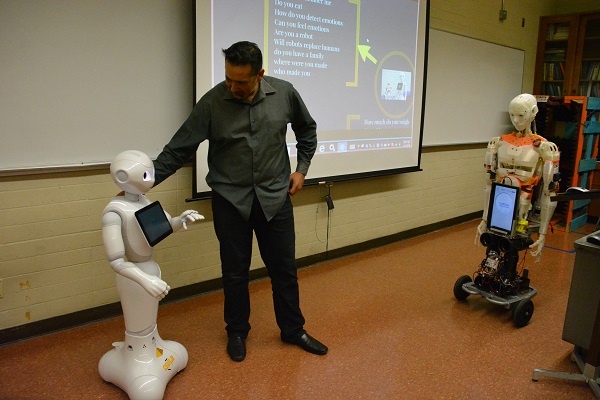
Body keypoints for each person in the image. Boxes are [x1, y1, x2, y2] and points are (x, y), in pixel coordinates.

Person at [152, 41, 327, 362]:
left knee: (284, 270)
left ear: (259, 75)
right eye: (229, 79)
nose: (233, 87)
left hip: (275, 199)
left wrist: (302, 169)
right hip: (230, 201)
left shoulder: (284, 93)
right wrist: (143, 182)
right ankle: (236, 331)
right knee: (235, 272)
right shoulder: (213, 102)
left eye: (241, 82)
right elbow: (177, 149)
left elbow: (307, 130)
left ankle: (292, 330)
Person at [475, 93, 560, 261]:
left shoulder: (544, 148)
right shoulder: (498, 143)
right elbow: (489, 184)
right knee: (493, 248)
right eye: (512, 115)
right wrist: (484, 219)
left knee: (511, 252)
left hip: (523, 209)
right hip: (498, 206)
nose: (516, 120)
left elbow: (550, 193)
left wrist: (542, 233)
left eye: (521, 115)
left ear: (534, 112)